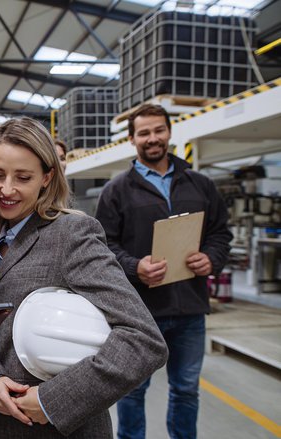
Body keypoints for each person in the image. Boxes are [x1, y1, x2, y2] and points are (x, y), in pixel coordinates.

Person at [0, 117, 168, 438]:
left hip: (65, 430)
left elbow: (143, 341)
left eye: (23, 177)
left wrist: (50, 401)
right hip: (4, 425)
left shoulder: (71, 233)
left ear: (47, 177)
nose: (6, 189)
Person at [94, 104, 233, 439]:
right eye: (144, 132)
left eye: (158, 130)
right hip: (140, 314)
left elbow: (220, 233)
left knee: (186, 390)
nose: (152, 138)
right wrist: (135, 267)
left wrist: (211, 259)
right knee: (132, 390)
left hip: (190, 310)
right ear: (132, 139)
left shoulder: (200, 185)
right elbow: (103, 247)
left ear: (169, 132)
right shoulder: (116, 191)